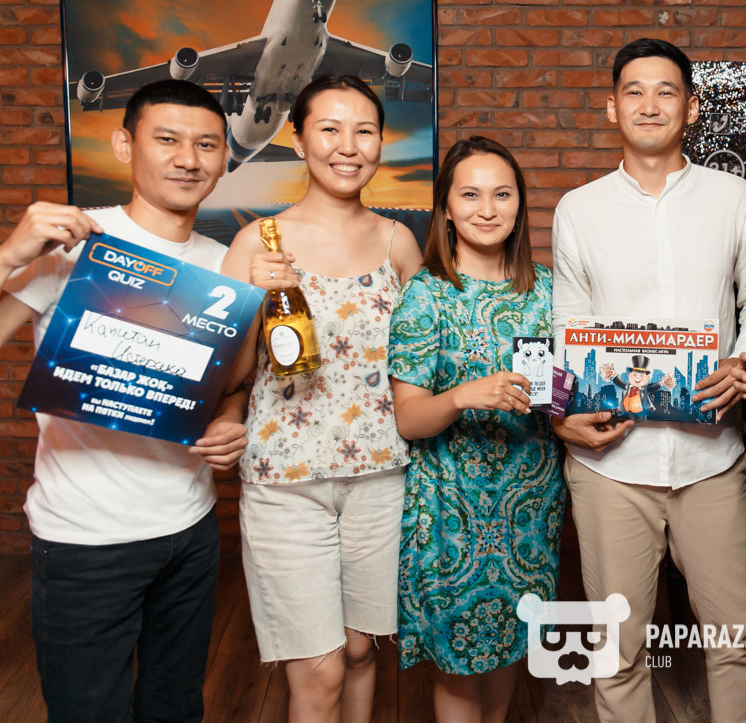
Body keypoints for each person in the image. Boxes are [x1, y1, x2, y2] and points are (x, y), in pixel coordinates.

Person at [0, 79, 249, 722]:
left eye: (206, 145)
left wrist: (230, 419)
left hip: (190, 531)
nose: (188, 159)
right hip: (85, 538)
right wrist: (7, 255)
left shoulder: (226, 266)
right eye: (167, 139)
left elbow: (231, 385)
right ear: (124, 145)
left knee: (175, 709)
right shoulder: (72, 242)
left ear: (224, 158)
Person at [551, 38, 746, 723]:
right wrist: (561, 414)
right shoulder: (578, 208)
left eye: (666, 91)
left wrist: (744, 361)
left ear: (692, 107)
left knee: (737, 641)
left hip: (712, 459)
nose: (650, 105)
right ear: (611, 106)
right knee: (616, 652)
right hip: (612, 466)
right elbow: (567, 323)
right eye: (635, 91)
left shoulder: (735, 199)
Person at [222, 75, 420, 723]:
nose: (348, 146)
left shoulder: (397, 242)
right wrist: (252, 302)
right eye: (330, 129)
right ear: (298, 139)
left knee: (361, 651)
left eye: (364, 131)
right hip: (287, 484)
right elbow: (227, 376)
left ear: (381, 143)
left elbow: (424, 360)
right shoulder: (257, 243)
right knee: (319, 668)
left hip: (382, 479)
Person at [389, 135, 563, 723]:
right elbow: (409, 418)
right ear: (445, 208)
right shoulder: (427, 294)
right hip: (452, 513)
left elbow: (563, 394)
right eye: (470, 195)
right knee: (461, 663)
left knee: (512, 644)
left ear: (519, 206)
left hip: (530, 506)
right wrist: (463, 395)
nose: (487, 209)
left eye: (502, 194)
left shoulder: (548, 291)